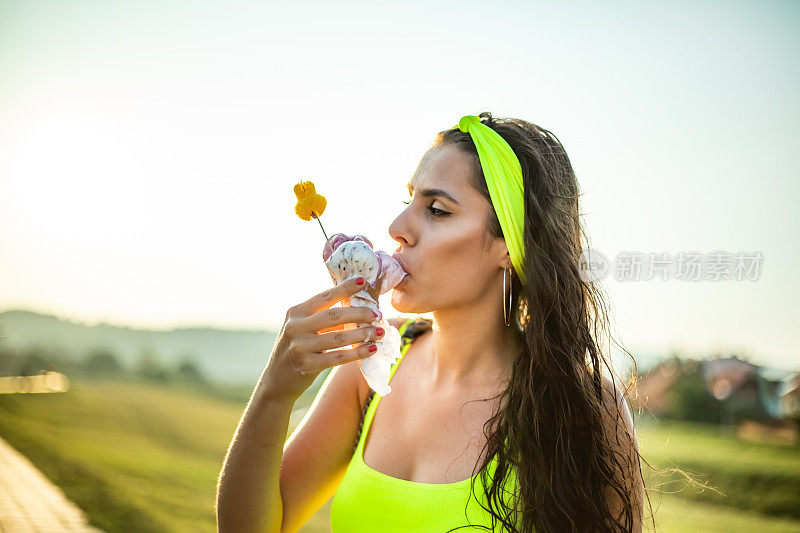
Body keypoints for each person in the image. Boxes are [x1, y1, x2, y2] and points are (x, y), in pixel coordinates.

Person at [216, 113, 647, 532]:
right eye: (409, 201)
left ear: (509, 245)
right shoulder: (370, 371)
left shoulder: (584, 410)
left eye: (437, 210)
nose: (397, 227)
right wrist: (275, 391)